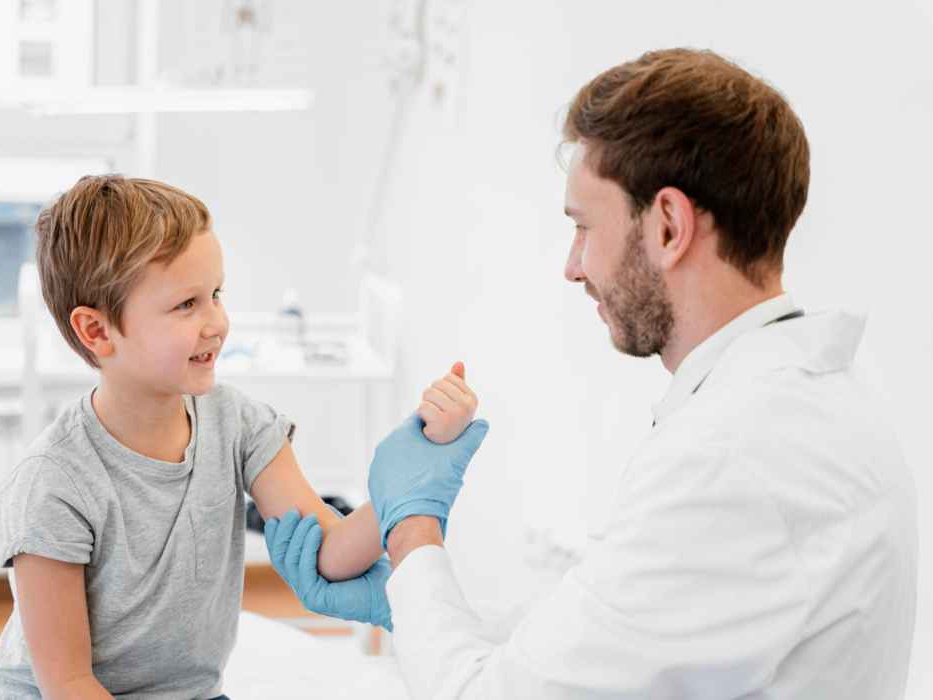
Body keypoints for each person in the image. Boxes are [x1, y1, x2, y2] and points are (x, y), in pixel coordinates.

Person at [265, 48, 919, 699]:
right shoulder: (800, 402)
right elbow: (605, 638)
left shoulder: (736, 454)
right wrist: (411, 602)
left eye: (583, 227)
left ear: (668, 226)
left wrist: (412, 532)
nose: (574, 267)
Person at [0, 175, 480, 699]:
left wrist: (402, 486)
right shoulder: (54, 483)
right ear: (96, 331)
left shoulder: (237, 423)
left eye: (216, 294)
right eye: (186, 304)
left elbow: (327, 554)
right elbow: (67, 682)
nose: (217, 322)